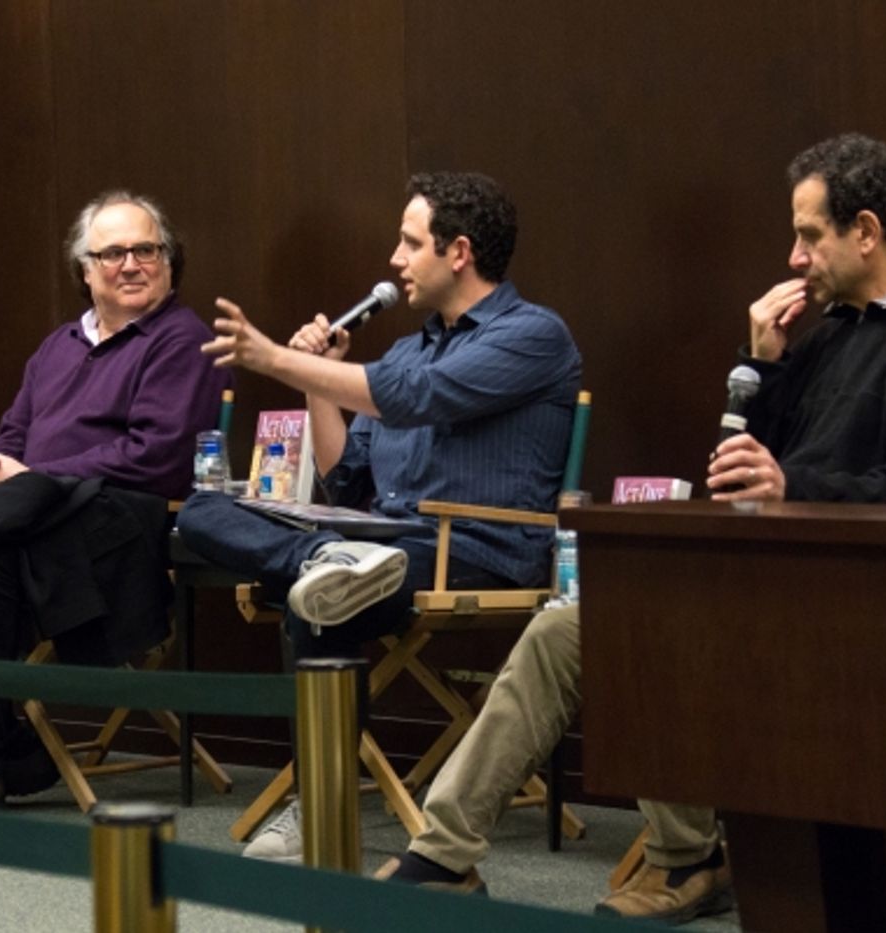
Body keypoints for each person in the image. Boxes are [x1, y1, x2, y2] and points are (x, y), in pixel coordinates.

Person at [376, 132, 886, 925]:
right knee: (571, 628)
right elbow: (746, 464)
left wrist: (791, 482)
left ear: (866, 232)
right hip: (763, 581)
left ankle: (686, 857)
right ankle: (444, 853)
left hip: (862, 620)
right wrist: (763, 364)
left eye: (809, 234)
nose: (795, 257)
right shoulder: (831, 333)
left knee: (658, 629)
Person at [175, 171, 582, 859]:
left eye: (408, 242)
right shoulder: (404, 348)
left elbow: (417, 398)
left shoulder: (534, 335)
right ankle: (323, 561)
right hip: (375, 544)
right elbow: (343, 478)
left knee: (318, 601)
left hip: (472, 548)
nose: (394, 261)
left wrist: (276, 359)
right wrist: (315, 379)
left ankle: (318, 803)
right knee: (205, 509)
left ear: (458, 252)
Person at [0, 191, 230, 808]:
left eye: (147, 249)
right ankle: (13, 750)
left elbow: (156, 458)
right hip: (27, 516)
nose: (132, 263)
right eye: (113, 253)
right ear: (85, 269)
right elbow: (14, 434)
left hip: (119, 523)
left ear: (169, 260)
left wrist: (30, 474)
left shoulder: (182, 340)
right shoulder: (58, 344)